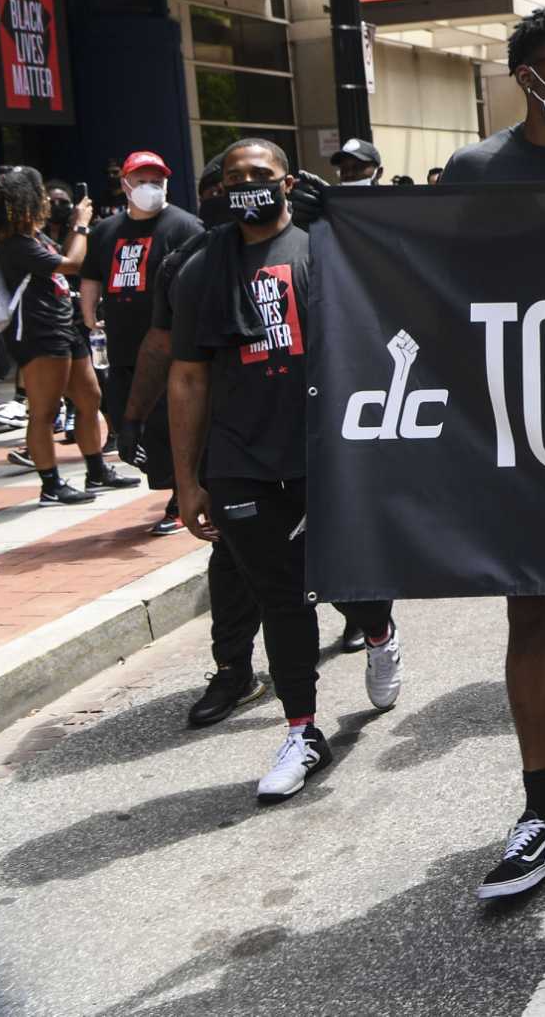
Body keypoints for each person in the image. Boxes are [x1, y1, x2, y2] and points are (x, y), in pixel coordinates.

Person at [313, 6, 545, 895]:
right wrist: (335, 222)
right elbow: (440, 284)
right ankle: (541, 807)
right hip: (523, 429)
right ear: (527, 77)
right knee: (533, 607)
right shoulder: (479, 168)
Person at [167, 139, 401, 801]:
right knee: (281, 596)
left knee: (341, 575)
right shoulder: (200, 270)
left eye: (259, 175)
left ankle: (380, 629)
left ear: (287, 182)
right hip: (242, 459)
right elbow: (187, 378)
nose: (246, 184)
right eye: (234, 176)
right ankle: (303, 728)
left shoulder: (323, 250)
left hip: (324, 448)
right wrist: (188, 479)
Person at [122, 155, 268, 726]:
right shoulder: (187, 265)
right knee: (231, 558)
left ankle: (371, 623)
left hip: (296, 433)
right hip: (229, 442)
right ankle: (234, 670)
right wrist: (133, 417)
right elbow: (165, 352)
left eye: (254, 183)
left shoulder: (307, 248)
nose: (237, 196)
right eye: (225, 187)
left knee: (326, 551)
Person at [0, 168, 136, 505]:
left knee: (89, 397)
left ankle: (96, 471)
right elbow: (71, 263)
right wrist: (80, 224)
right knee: (45, 410)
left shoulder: (33, 236)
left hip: (65, 326)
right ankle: (51, 485)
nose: (47, 202)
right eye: (40, 196)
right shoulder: (13, 243)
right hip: (38, 332)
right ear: (24, 202)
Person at [80, 151, 204, 536]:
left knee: (173, 423)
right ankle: (173, 483)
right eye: (142, 180)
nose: (150, 187)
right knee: (125, 422)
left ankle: (179, 497)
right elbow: (91, 274)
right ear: (126, 184)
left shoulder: (185, 227)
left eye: (157, 180)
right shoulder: (106, 231)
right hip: (122, 347)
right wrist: (88, 314)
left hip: (171, 349)